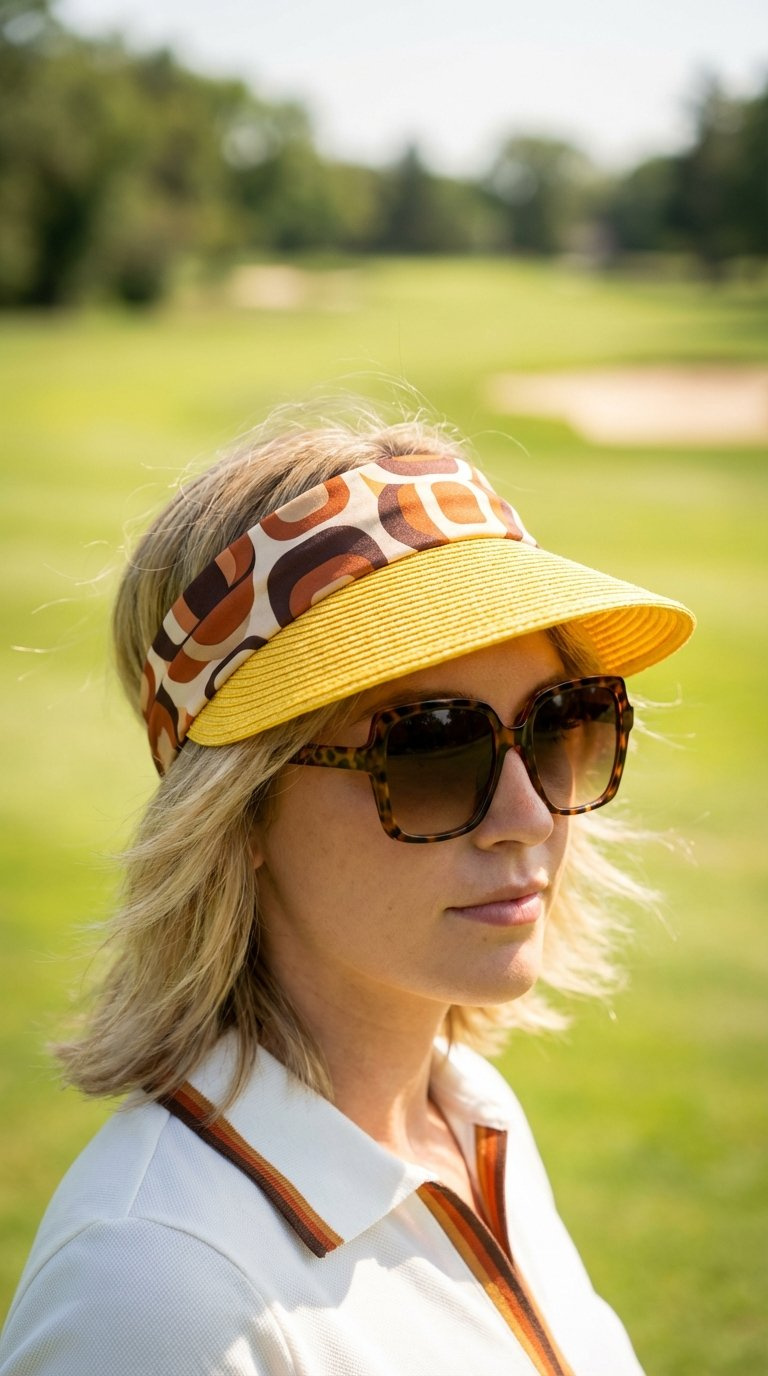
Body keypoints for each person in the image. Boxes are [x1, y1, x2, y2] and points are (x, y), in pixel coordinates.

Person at [0, 413, 694, 1376]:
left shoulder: (468, 1118)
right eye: (429, 747)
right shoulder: (154, 1292)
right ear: (237, 816)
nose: (529, 816)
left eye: (558, 723)